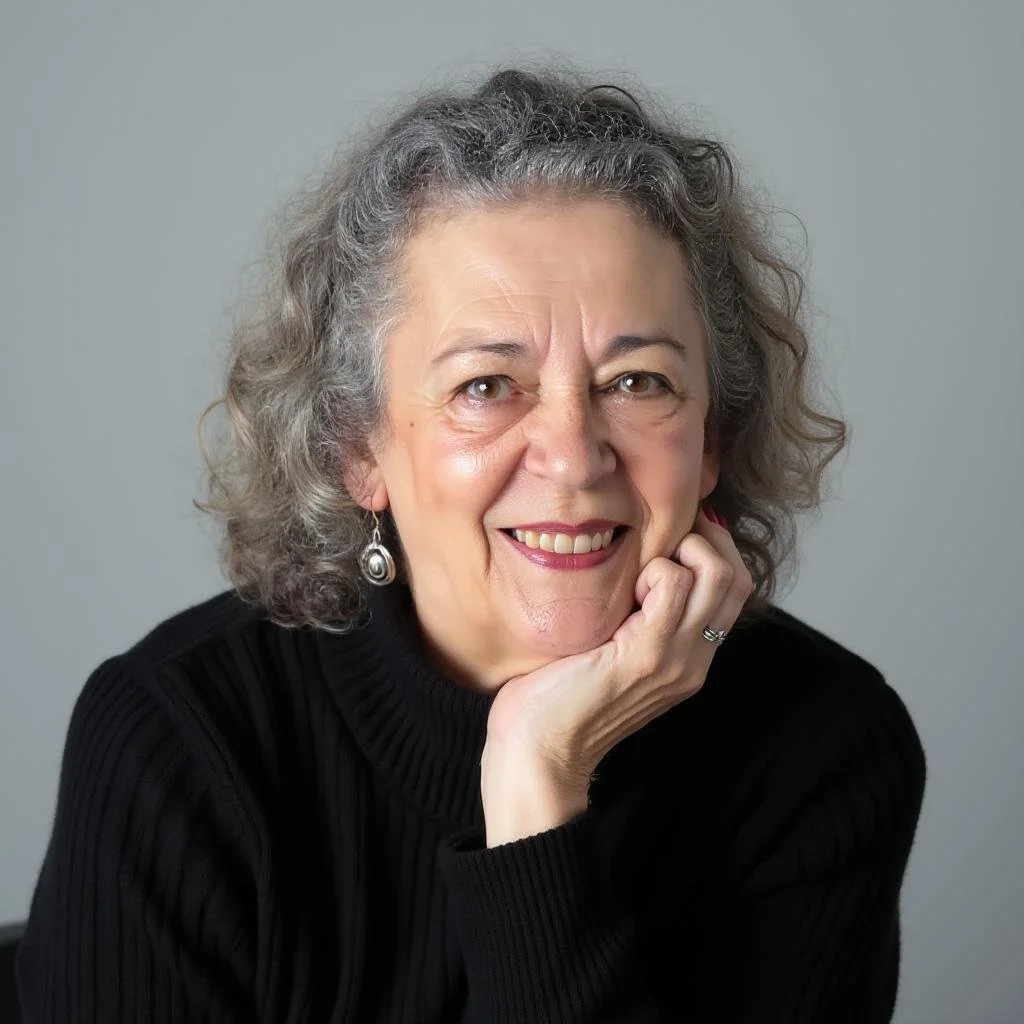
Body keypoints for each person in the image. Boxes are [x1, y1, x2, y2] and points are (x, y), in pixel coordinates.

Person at [16, 66, 926, 1022]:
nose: (574, 456)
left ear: (713, 441)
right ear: (359, 449)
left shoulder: (821, 746)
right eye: (487, 386)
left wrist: (539, 786)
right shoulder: (178, 743)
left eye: (639, 382)